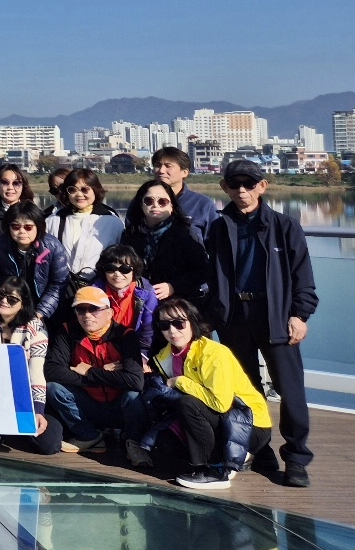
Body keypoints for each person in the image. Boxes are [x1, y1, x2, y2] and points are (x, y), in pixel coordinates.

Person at [205, 158, 318, 488]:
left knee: (290, 390)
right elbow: (209, 276)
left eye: (250, 184)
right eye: (235, 184)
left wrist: (300, 315)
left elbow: (304, 278)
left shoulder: (285, 226)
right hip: (234, 318)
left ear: (263, 186)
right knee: (245, 390)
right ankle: (260, 449)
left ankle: (296, 457)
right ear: (224, 187)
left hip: (276, 318)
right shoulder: (217, 227)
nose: (242, 191)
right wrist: (212, 315)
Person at [149, 299, 273, 489]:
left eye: (179, 323)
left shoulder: (214, 353)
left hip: (249, 422)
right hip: (221, 419)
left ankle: (217, 470)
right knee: (166, 445)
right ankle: (232, 456)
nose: (172, 331)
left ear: (192, 322)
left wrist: (180, 381)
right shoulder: (165, 357)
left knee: (188, 404)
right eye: (165, 325)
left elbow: (220, 403)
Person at [44, 286, 145, 454]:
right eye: (80, 310)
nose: (87, 315)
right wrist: (102, 374)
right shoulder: (67, 330)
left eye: (94, 309)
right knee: (53, 388)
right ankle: (89, 436)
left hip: (119, 408)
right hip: (88, 405)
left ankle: (134, 443)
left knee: (132, 395)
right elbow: (52, 370)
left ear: (110, 313)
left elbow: (136, 382)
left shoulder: (126, 335)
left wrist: (90, 371)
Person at [0, 278, 60, 455]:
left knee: (49, 444)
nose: (4, 301)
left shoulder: (36, 327)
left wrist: (38, 410)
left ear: (23, 302)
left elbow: (36, 372)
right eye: (0, 295)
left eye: (12, 299)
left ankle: (20, 425)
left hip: (23, 391)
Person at [120, 179, 207, 303]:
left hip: (178, 303)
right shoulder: (131, 234)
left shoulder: (185, 233)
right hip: (139, 301)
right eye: (149, 201)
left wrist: (173, 286)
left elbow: (202, 270)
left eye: (162, 202)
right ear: (141, 204)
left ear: (172, 206)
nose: (155, 205)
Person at [0, 203, 70, 323]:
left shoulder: (53, 246)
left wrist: (41, 312)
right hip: (11, 306)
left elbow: (58, 284)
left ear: (38, 226)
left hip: (46, 308)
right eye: (15, 227)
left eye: (28, 227)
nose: (21, 231)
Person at [44, 169, 124, 278]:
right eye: (72, 190)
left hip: (99, 287)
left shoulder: (112, 222)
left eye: (85, 189)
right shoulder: (53, 220)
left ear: (95, 190)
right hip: (63, 287)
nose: (79, 194)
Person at [91, 244, 158, 362]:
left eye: (124, 269)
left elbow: (148, 333)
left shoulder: (147, 293)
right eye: (111, 269)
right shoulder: (93, 292)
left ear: (134, 270)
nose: (117, 274)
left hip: (133, 352)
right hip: (99, 352)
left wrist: (140, 359)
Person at [152, 146, 219, 243]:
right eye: (157, 165)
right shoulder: (143, 202)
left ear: (184, 172)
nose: (161, 171)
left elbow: (215, 244)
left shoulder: (203, 205)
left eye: (168, 166)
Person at [0, 164, 36, 235]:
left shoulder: (32, 212)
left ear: (23, 186)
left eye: (16, 183)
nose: (10, 187)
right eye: (5, 182)